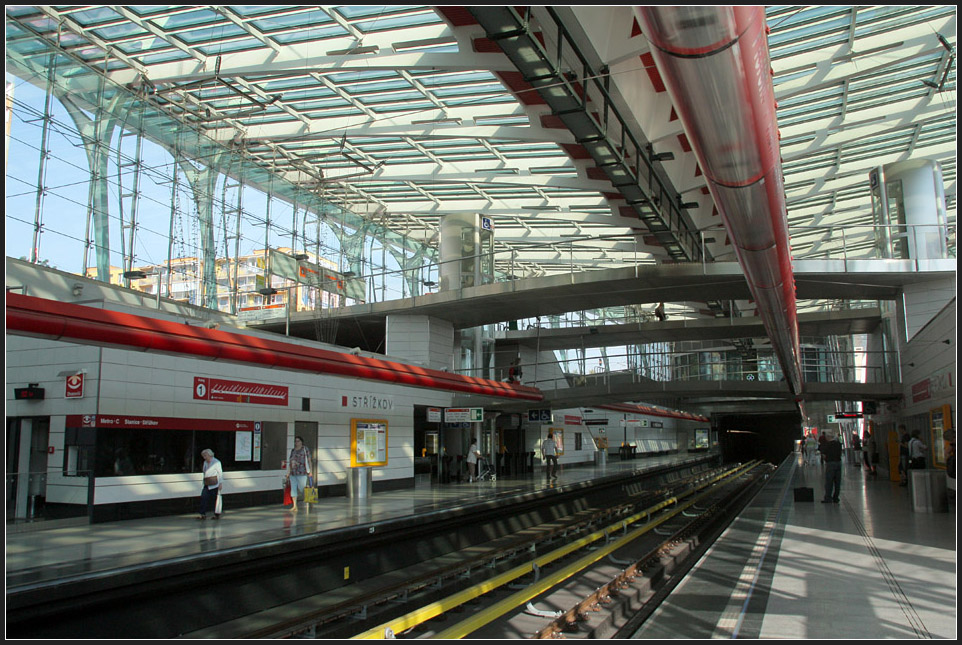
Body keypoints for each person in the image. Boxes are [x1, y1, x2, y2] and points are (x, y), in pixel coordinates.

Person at [286, 436, 312, 513]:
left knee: (302, 488)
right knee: (293, 489)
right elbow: (290, 462)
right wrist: (288, 472)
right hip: (293, 472)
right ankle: (294, 506)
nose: (296, 443)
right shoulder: (293, 450)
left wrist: (310, 471)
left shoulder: (305, 449)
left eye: (298, 441)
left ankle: (308, 501)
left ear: (301, 442)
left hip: (302, 472)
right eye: (295, 441)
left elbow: (309, 460)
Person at [197, 448, 223, 520]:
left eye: (205, 455)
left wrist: (220, 483)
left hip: (215, 484)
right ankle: (202, 514)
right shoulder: (205, 462)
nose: (204, 457)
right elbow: (204, 471)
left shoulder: (216, 462)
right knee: (203, 497)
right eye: (203, 456)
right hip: (207, 483)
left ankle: (216, 514)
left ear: (209, 455)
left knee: (215, 499)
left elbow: (220, 473)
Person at [818, 430, 842, 503]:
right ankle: (836, 498)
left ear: (828, 437)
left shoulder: (827, 445)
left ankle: (828, 498)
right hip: (838, 463)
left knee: (829, 481)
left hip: (830, 463)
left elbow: (824, 455)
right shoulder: (838, 444)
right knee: (837, 482)